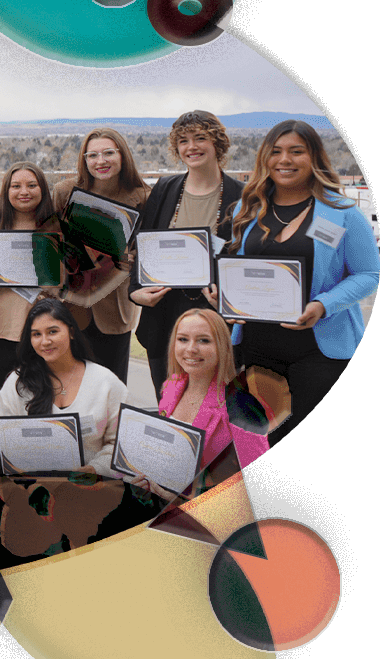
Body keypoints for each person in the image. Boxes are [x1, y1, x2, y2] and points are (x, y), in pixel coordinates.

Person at [215, 120, 379, 444]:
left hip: (319, 352)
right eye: (275, 152)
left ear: (314, 157)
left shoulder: (343, 212)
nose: (284, 160)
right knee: (255, 444)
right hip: (255, 350)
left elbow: (368, 275)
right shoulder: (249, 210)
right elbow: (236, 267)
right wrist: (226, 300)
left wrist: (324, 305)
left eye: (296, 151)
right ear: (265, 158)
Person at [128, 111, 243, 399]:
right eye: (183, 141)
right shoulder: (166, 189)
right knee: (168, 408)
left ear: (218, 143)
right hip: (164, 318)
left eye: (200, 138)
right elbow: (143, 247)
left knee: (218, 413)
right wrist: (135, 291)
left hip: (215, 320)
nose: (191, 146)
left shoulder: (243, 196)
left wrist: (230, 297)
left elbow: (246, 258)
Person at [0, 298, 150, 477]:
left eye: (52, 331)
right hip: (33, 489)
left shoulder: (105, 382)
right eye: (36, 334)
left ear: (71, 332)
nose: (45, 341)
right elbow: (6, 447)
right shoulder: (17, 383)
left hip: (95, 488)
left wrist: (94, 470)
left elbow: (123, 445)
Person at [52, 126, 150, 383]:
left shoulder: (141, 197)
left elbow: (145, 252)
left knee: (111, 388)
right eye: (92, 155)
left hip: (115, 307)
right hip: (70, 307)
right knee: (70, 385)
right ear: (84, 160)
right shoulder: (65, 192)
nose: (100, 161)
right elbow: (49, 242)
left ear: (122, 155)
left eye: (108, 153)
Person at [135, 309, 267, 499]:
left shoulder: (241, 405)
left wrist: (186, 498)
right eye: (182, 339)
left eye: (203, 340)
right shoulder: (171, 387)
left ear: (222, 347)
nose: (190, 349)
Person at [0, 162, 59, 398]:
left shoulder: (56, 227)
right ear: (6, 190)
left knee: (43, 400)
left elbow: (67, 281)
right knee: (4, 400)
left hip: (44, 330)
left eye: (32, 185)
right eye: (16, 186)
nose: (24, 191)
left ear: (42, 189)